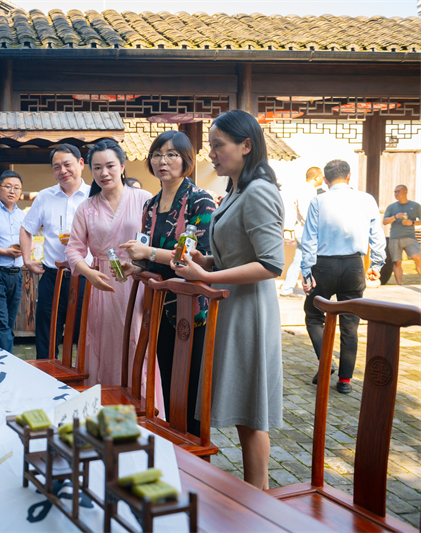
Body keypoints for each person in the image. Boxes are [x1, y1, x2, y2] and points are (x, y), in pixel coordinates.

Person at [171, 110, 285, 490]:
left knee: (250, 414)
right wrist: (206, 261)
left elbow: (271, 264)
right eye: (211, 146)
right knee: (242, 411)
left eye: (218, 145)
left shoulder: (259, 191)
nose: (212, 154)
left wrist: (207, 276)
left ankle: (258, 499)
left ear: (246, 145)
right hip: (233, 306)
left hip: (250, 311)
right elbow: (238, 254)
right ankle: (257, 497)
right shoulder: (237, 190)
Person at [119, 131, 216, 437]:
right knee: (167, 377)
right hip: (159, 305)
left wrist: (147, 253)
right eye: (157, 154)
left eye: (172, 154)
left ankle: (194, 448)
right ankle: (173, 441)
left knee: (191, 383)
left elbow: (199, 258)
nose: (163, 160)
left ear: (186, 160)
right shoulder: (150, 205)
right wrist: (136, 266)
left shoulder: (200, 200)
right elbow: (150, 258)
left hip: (191, 307)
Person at [65, 139, 159, 394]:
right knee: (102, 343)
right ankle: (104, 402)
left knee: (137, 341)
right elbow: (73, 249)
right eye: (97, 168)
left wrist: (141, 261)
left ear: (123, 166)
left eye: (110, 166)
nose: (104, 173)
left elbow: (154, 241)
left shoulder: (144, 199)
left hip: (136, 281)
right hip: (102, 283)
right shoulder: (86, 208)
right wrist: (88, 273)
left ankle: (139, 403)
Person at [301, 159, 385, 394]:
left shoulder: (318, 201)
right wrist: (377, 264)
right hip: (354, 266)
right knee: (350, 324)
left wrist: (306, 272)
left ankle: (326, 362)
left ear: (325, 180)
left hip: (324, 266)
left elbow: (309, 239)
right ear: (349, 177)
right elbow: (377, 235)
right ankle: (345, 381)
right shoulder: (366, 199)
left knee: (314, 316)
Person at [20, 144, 91, 359]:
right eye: (57, 167)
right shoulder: (45, 196)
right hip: (53, 276)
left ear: (81, 163)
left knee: (86, 334)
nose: (63, 171)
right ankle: (45, 373)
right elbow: (26, 228)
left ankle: (84, 374)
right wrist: (27, 259)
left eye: (67, 164)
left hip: (86, 276)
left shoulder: (94, 195)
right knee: (47, 335)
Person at [0, 171, 26, 352]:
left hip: (16, 275)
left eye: (16, 188)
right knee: (0, 324)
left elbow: (28, 240)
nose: (12, 191)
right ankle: (8, 361)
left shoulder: (22, 215)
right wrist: (4, 252)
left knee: (8, 323)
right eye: (8, 186)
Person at [279, 167, 323, 298]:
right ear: (316, 177)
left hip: (302, 231)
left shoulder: (305, 189)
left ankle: (286, 289)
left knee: (299, 261)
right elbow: (306, 213)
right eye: (322, 177)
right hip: (306, 231)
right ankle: (312, 288)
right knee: (312, 260)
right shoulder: (307, 190)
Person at [383, 184, 421, 284]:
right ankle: (400, 285)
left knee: (418, 258)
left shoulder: (415, 206)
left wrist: (412, 222)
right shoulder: (391, 207)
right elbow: (385, 221)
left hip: (410, 238)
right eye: (395, 192)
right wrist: (395, 216)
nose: (396, 193)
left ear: (405, 192)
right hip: (394, 238)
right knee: (397, 262)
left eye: (398, 191)